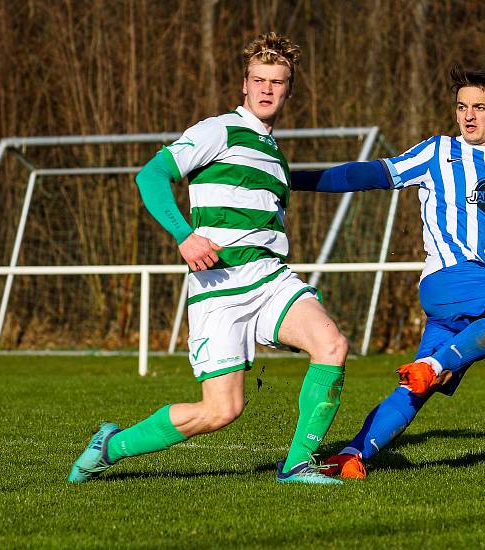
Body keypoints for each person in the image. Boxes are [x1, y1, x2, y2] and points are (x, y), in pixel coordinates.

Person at [69, 32, 350, 485]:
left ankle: (298, 463)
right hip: (219, 287)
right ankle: (111, 446)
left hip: (272, 278)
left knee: (332, 344)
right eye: (259, 79)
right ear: (244, 84)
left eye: (277, 82)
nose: (266, 89)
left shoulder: (275, 155)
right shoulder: (217, 129)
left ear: (289, 90)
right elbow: (151, 175)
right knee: (221, 411)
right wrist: (184, 235)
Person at [291, 66, 485, 478]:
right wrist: (291, 180)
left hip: (474, 291)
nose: (468, 115)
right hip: (451, 275)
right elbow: (370, 174)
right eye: (462, 107)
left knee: (418, 387)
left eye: (479, 108)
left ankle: (350, 455)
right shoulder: (437, 152)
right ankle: (433, 366)